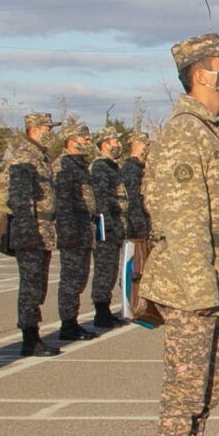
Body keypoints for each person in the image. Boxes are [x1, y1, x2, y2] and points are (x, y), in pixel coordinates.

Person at [139, 32, 219, 436]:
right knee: (185, 388)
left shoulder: (213, 128)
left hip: (218, 277)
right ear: (201, 73)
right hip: (194, 283)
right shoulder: (186, 130)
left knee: (205, 386)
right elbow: (181, 220)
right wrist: (201, 287)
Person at [3, 112, 64, 356]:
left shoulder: (40, 157)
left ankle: (33, 334)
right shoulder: (24, 158)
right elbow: (20, 201)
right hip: (31, 232)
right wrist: (30, 234)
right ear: (34, 129)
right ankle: (29, 337)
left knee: (38, 285)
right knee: (30, 287)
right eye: (47, 128)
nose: (51, 132)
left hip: (43, 231)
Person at [51, 121, 103, 343]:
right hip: (72, 229)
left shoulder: (80, 165)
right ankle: (68, 323)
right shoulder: (63, 165)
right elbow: (62, 203)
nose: (89, 142)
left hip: (84, 228)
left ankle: (73, 320)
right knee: (71, 279)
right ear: (72, 141)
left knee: (80, 277)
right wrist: (68, 232)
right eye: (85, 139)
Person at [89, 126, 128, 329]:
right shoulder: (100, 167)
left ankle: (106, 309)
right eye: (116, 141)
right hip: (106, 226)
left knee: (111, 269)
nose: (119, 145)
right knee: (104, 269)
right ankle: (101, 311)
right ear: (104, 144)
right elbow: (101, 199)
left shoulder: (113, 166)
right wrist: (109, 228)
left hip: (116, 225)